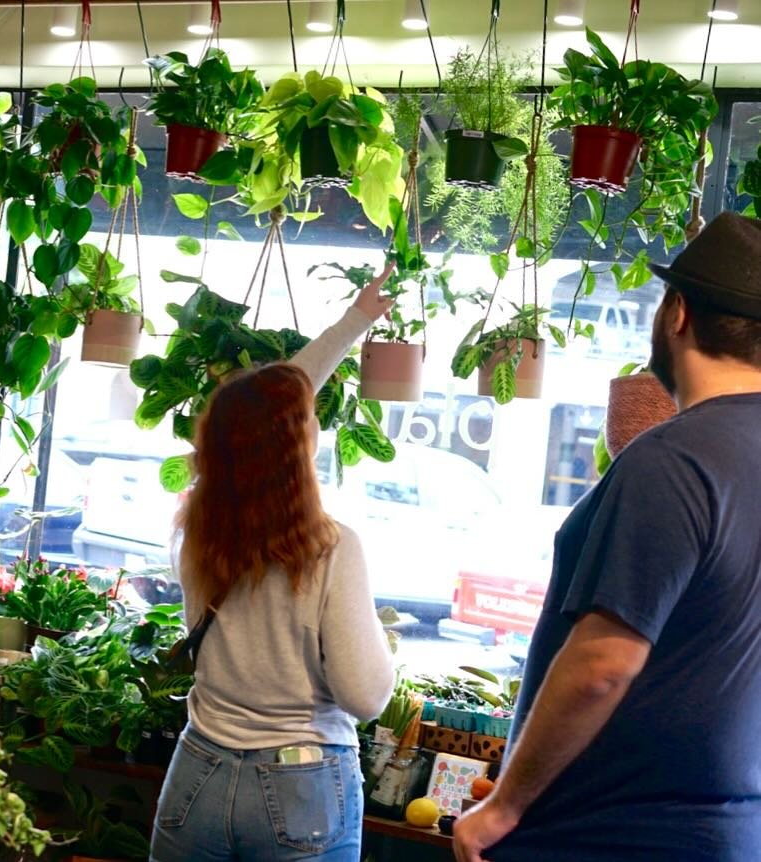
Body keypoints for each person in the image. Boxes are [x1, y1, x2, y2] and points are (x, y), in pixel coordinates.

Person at [454, 211, 761, 862]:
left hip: (607, 835)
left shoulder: (673, 460)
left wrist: (503, 806)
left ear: (676, 314)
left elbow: (602, 665)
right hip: (729, 834)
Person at [150, 263, 397, 862]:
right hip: (301, 788)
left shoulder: (199, 531)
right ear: (296, 447)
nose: (314, 422)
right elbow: (365, 696)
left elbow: (262, 410)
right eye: (308, 422)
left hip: (198, 774)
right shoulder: (331, 550)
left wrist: (356, 321)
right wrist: (385, 649)